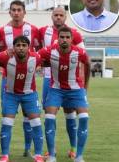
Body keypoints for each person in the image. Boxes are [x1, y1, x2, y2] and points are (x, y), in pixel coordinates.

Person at [38, 27, 90, 162]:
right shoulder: (49, 50)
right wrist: (42, 64)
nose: (65, 40)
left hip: (76, 90)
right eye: (62, 37)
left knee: (84, 118)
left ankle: (79, 156)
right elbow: (35, 58)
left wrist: (85, 87)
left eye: (67, 37)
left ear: (72, 39)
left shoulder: (79, 52)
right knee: (49, 118)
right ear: (58, 38)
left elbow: (88, 64)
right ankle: (52, 156)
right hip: (56, 89)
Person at [0, 0, 41, 157]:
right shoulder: (3, 31)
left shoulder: (33, 30)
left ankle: (27, 149)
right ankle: (5, 154)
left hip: (28, 81)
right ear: (9, 12)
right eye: (13, 10)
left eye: (19, 10)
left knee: (29, 116)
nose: (16, 12)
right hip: (7, 80)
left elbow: (39, 52)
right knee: (7, 116)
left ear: (24, 12)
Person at [0, 35, 44, 162]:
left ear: (29, 48)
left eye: (24, 45)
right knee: (7, 122)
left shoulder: (36, 57)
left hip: (29, 95)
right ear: (13, 47)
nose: (21, 48)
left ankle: (38, 154)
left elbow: (49, 59)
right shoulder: (5, 57)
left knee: (36, 123)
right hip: (10, 95)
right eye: (18, 45)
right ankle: (5, 155)